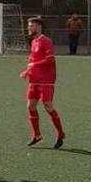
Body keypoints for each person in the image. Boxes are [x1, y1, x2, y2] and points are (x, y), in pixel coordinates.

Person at [20, 17, 65, 149]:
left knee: (48, 107)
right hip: (34, 80)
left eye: (31, 26)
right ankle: (37, 135)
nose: (29, 28)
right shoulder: (33, 41)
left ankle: (61, 133)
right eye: (29, 26)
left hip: (46, 80)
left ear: (39, 27)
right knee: (30, 106)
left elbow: (50, 60)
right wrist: (27, 71)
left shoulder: (46, 41)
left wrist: (34, 64)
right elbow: (32, 59)